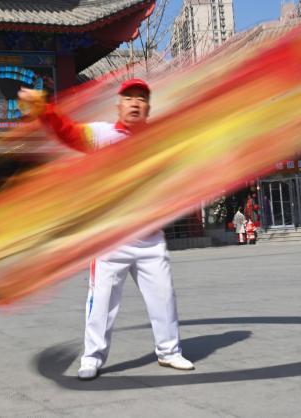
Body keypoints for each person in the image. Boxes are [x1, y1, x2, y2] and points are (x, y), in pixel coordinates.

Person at [18, 80, 194, 379]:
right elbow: (67, 132)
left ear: (148, 107)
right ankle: (92, 357)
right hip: (112, 240)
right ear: (119, 105)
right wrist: (44, 110)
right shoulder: (102, 135)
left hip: (150, 239)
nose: (135, 103)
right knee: (101, 302)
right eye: (129, 98)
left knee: (164, 297)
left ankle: (169, 352)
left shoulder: (159, 141)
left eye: (141, 99)